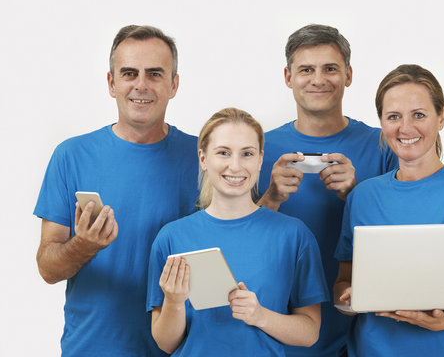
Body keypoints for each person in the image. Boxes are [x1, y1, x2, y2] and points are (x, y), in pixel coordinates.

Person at [34, 25, 199, 356]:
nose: (141, 84)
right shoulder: (71, 156)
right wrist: (83, 246)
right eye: (129, 73)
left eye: (155, 74)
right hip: (92, 348)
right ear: (112, 83)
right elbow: (47, 269)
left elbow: (234, 242)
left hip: (180, 348)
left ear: (174, 85)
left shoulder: (205, 159)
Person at [334, 64, 444, 357]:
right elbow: (343, 281)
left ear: (442, 117)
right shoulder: (362, 196)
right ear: (382, 122)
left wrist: (441, 322)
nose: (406, 128)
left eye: (419, 115)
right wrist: (348, 299)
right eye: (394, 116)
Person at [258, 24, 398, 356]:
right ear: (288, 77)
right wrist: (270, 198)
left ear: (348, 75)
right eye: (306, 69)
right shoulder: (257, 148)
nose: (318, 79)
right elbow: (233, 236)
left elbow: (404, 239)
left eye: (330, 69)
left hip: (365, 331)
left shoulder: (383, 145)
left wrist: (357, 196)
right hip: (278, 327)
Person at [146, 108, 329, 356]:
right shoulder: (171, 238)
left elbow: (310, 333)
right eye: (223, 153)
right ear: (203, 159)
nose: (235, 166)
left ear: (260, 159)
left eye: (247, 154)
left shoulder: (294, 235)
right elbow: (165, 343)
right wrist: (175, 302)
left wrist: (259, 315)